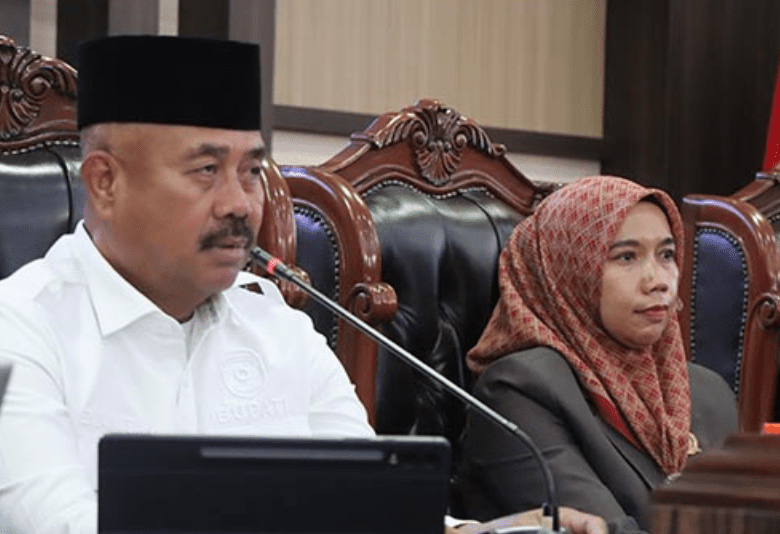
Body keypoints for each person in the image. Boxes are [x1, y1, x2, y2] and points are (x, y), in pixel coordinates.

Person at [0, 35, 604, 534]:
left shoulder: (281, 328)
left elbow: (368, 505)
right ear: (105, 183)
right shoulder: (20, 330)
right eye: (206, 170)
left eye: (251, 172)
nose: (240, 204)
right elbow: (59, 524)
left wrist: (488, 532)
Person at [459, 176, 738, 534]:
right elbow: (600, 530)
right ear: (569, 270)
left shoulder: (709, 391)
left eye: (666, 254)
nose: (658, 280)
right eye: (626, 257)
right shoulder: (519, 390)